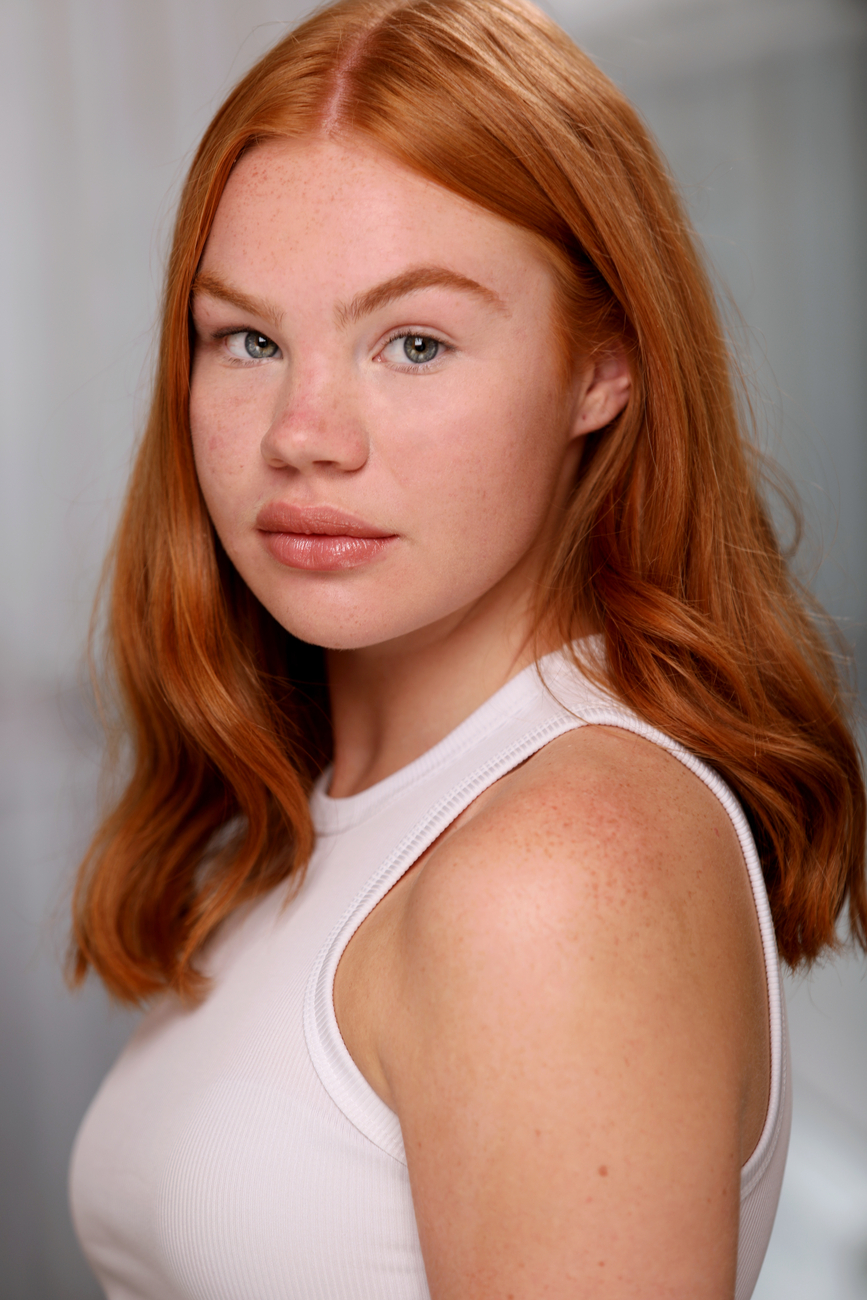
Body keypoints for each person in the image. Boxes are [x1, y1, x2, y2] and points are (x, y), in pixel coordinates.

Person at [67, 0, 866, 1296]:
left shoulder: (559, 871)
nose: (303, 434)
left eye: (415, 342)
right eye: (248, 339)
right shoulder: (349, 812)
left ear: (602, 367)